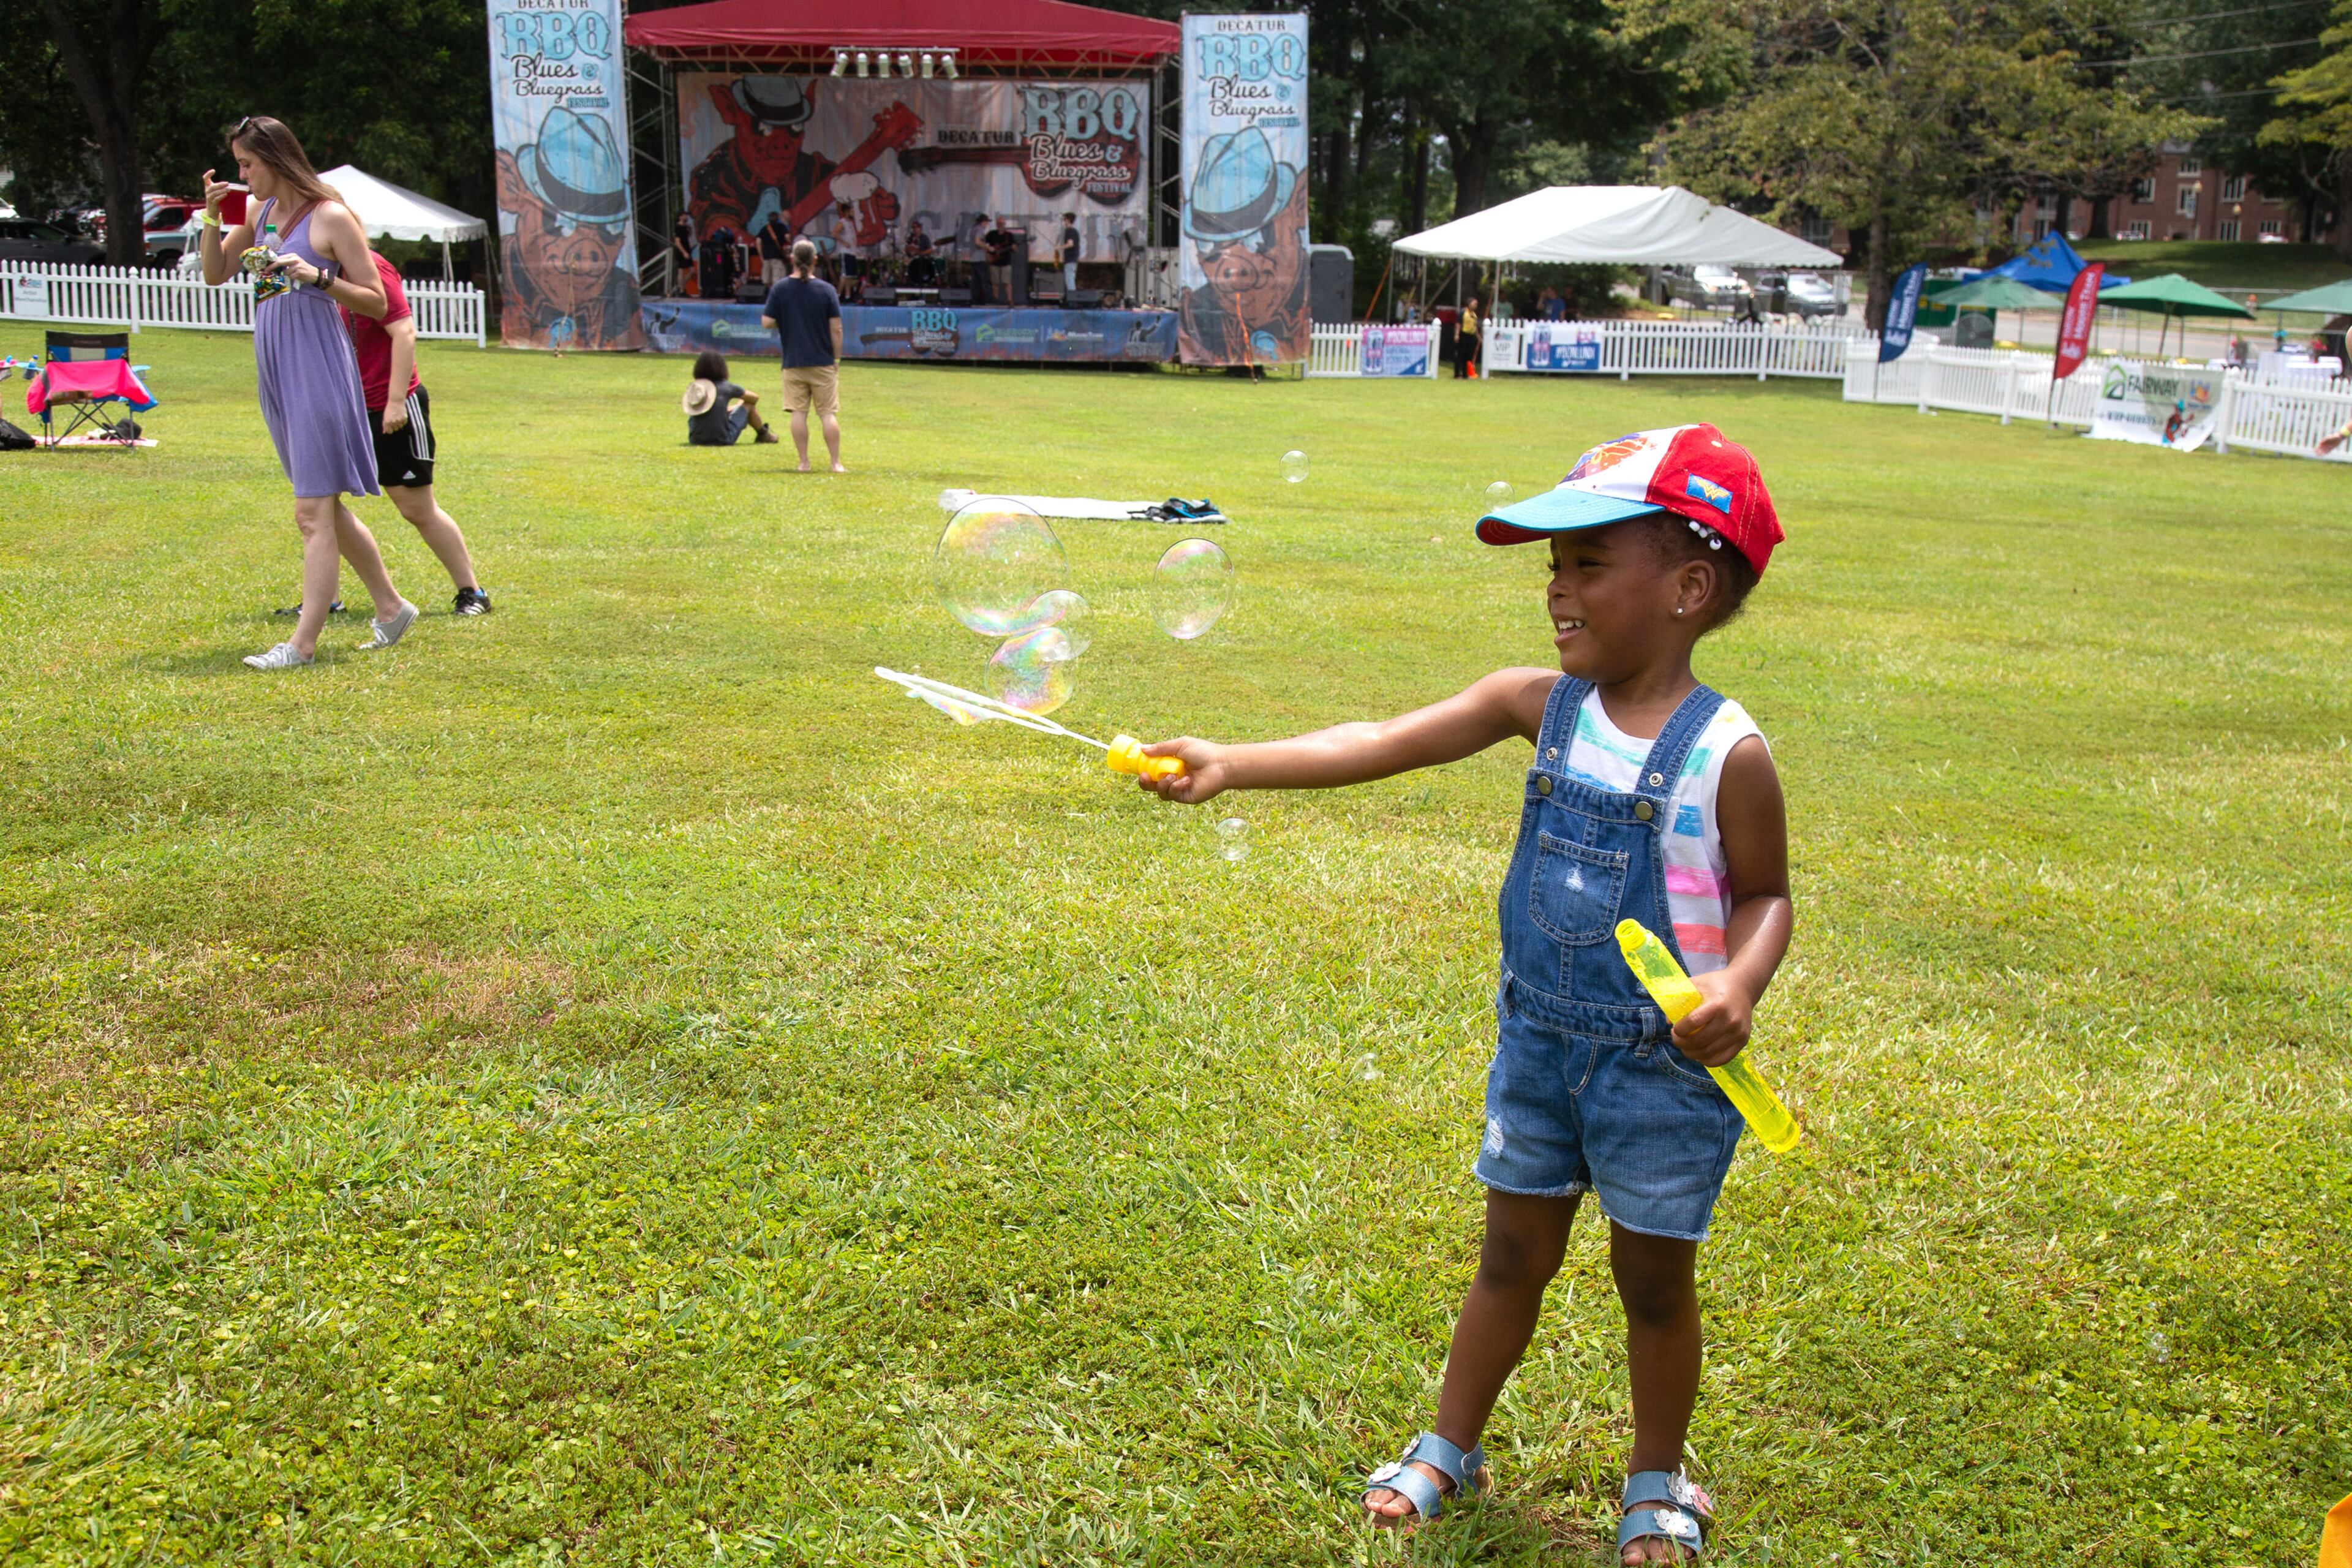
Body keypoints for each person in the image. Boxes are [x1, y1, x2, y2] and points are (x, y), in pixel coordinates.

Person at [1132, 424, 1791, 1564]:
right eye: (1553, 563)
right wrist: (1237, 759)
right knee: (1509, 1256)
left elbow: (1768, 893)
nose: (1556, 587)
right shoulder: (1539, 704)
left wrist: (1738, 978)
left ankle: (1655, 1478)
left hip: (1662, 1073)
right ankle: (1451, 1443)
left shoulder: (1728, 752)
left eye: (1589, 563)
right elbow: (1383, 739)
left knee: (1652, 1282)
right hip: (1539, 1048)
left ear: (1687, 587)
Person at [200, 116, 418, 670]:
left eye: (248, 164)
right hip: (277, 364)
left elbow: (376, 301)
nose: (242, 175)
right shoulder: (260, 212)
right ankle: (392, 609)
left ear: (275, 159)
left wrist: (317, 277)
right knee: (323, 501)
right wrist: (208, 218)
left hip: (318, 363)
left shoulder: (331, 217)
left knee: (311, 511)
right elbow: (216, 272)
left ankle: (302, 645)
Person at [340, 249, 493, 614]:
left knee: (416, 507)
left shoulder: (370, 267)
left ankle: (473, 592)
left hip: (391, 406)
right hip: (347, 406)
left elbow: (404, 333)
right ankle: (324, 599)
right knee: (321, 505)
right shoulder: (323, 271)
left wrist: (395, 402)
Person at [760, 237, 845, 472]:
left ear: (792, 259)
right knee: (827, 414)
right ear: (815, 259)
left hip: (794, 362)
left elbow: (766, 322)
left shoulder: (780, 288)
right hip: (822, 362)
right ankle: (835, 462)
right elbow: (837, 329)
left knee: (799, 413)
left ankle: (803, 462)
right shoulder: (827, 290)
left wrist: (785, 317)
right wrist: (836, 358)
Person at [682, 349, 779, 447]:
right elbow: (754, 398)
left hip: (695, 439)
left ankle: (763, 435)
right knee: (748, 405)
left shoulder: (696, 388)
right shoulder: (726, 387)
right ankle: (763, 434)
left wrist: (728, 409)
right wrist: (738, 405)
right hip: (723, 439)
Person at [984, 217, 1017, 305]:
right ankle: (995, 301)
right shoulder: (991, 234)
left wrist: (1014, 247)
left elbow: (1014, 247)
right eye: (999, 223)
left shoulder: (1009, 235)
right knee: (995, 284)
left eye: (1002, 223)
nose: (1000, 225)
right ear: (996, 224)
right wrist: (988, 254)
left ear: (1004, 224)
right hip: (994, 262)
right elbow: (984, 245)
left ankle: (1010, 300)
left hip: (1006, 262)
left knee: (1007, 283)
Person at [756, 210, 791, 288]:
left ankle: (769, 294)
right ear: (778, 218)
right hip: (777, 257)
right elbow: (787, 238)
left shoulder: (764, 229)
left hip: (766, 257)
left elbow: (758, 242)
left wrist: (761, 255)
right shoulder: (782, 227)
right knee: (777, 279)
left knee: (766, 280)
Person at [903, 218, 937, 286]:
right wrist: (908, 251)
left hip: (923, 258)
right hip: (913, 258)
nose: (915, 229)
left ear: (920, 228)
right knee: (905, 263)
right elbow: (908, 249)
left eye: (916, 227)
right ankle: (907, 281)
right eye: (913, 227)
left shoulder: (924, 238)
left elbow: (930, 250)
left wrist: (922, 253)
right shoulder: (911, 238)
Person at [1456, 296, 1483, 379]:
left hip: (1471, 336)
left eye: (1476, 304)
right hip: (1463, 335)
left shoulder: (1474, 315)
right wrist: (1457, 334)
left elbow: (1475, 327)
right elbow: (1458, 324)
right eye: (1474, 303)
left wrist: (1478, 337)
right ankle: (1457, 374)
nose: (1475, 305)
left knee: (1468, 356)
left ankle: (1465, 374)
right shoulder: (1463, 312)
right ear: (1469, 303)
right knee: (1461, 355)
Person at [671, 212, 696, 295]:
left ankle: (681, 285)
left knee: (692, 270)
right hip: (682, 250)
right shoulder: (678, 227)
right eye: (685, 216)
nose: (686, 217)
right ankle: (681, 290)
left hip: (687, 249)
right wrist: (684, 252)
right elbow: (677, 242)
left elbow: (688, 237)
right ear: (681, 217)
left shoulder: (685, 227)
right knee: (681, 270)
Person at [1058, 211, 1081, 293]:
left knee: (1070, 280)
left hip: (1070, 259)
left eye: (1064, 220)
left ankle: (1072, 300)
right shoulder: (1075, 232)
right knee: (1070, 279)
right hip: (1073, 259)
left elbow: (1070, 244)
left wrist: (1059, 247)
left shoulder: (1070, 231)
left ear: (1068, 220)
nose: (1064, 222)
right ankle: (1072, 299)